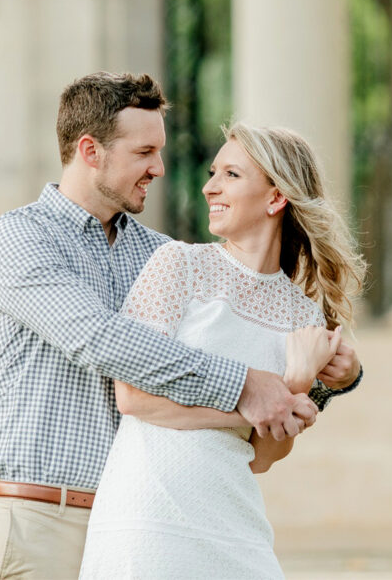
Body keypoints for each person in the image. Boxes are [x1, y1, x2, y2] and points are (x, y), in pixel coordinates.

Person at [0, 72, 361, 579]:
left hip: (150, 506)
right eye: (144, 152)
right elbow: (97, 338)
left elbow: (259, 360)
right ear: (91, 151)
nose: (160, 167)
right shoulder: (21, 239)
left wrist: (336, 378)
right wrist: (246, 386)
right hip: (45, 515)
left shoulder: (162, 254)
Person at [78, 123, 366, 579]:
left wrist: (293, 389)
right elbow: (133, 398)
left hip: (236, 528)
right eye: (213, 172)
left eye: (231, 174)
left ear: (275, 198)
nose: (209, 186)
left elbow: (263, 457)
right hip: (146, 520)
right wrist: (268, 403)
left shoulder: (305, 317)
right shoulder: (179, 266)